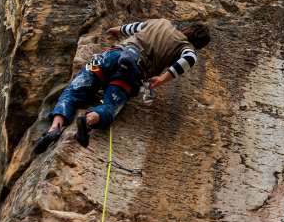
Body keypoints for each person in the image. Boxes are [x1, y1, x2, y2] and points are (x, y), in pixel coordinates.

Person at [33, 18, 211, 153]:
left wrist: (115, 30)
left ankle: (54, 128)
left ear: (187, 28)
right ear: (198, 44)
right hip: (132, 73)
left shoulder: (161, 22)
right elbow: (189, 58)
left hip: (110, 56)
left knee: (74, 89)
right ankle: (87, 121)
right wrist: (162, 79)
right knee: (110, 105)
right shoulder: (185, 47)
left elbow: (132, 27)